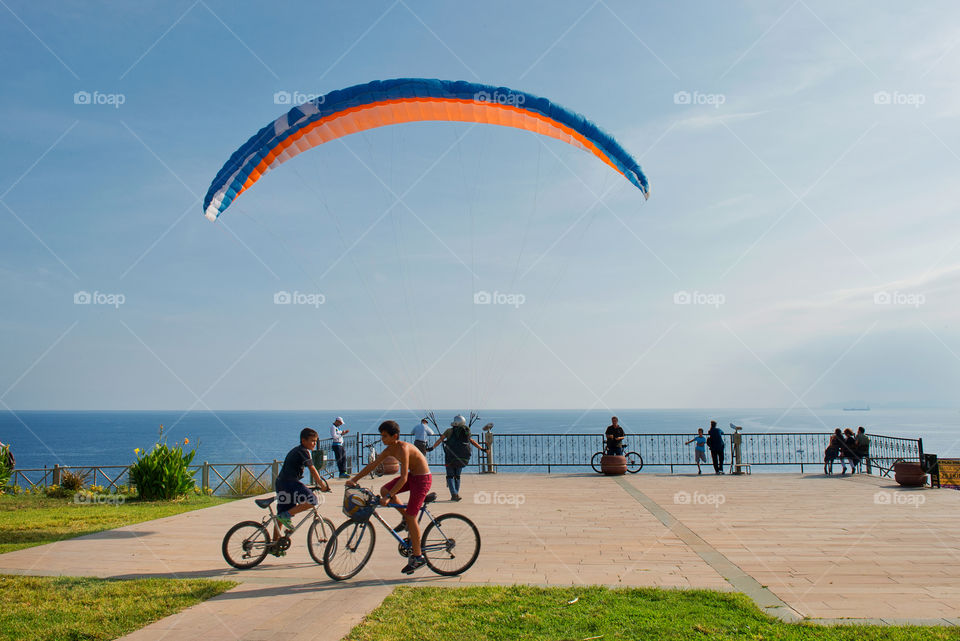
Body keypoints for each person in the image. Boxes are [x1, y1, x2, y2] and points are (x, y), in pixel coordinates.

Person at [347, 420, 432, 575]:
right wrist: (355, 479)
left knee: (412, 516)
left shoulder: (404, 448)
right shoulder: (389, 449)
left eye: (385, 436)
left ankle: (418, 557)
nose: (382, 439)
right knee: (384, 489)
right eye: (381, 436)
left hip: (422, 479)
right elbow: (372, 465)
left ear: (395, 436)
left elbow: (403, 478)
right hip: (413, 477)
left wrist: (390, 496)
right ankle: (405, 518)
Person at [273, 428, 330, 553]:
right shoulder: (303, 451)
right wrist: (322, 485)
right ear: (303, 440)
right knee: (313, 500)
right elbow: (313, 469)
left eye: (316, 441)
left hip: (281, 482)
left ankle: (274, 545)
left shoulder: (296, 450)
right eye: (312, 441)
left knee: (281, 514)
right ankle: (285, 516)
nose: (314, 444)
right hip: (290, 483)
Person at [429, 415, 487, 501]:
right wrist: (482, 449)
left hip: (450, 457)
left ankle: (454, 494)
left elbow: (440, 440)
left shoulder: (449, 431)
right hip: (462, 457)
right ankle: (456, 493)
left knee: (450, 476)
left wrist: (432, 448)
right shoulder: (465, 432)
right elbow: (472, 442)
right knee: (457, 476)